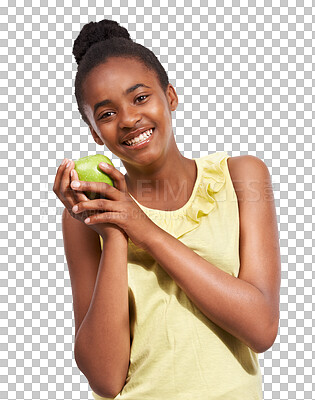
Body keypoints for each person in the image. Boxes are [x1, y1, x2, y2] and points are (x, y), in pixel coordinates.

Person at [53, 19, 281, 400]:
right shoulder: (88, 212)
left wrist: (141, 227)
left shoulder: (242, 176)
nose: (128, 119)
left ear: (170, 97)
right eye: (107, 114)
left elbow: (261, 328)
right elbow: (106, 379)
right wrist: (114, 234)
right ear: (95, 134)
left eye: (140, 98)